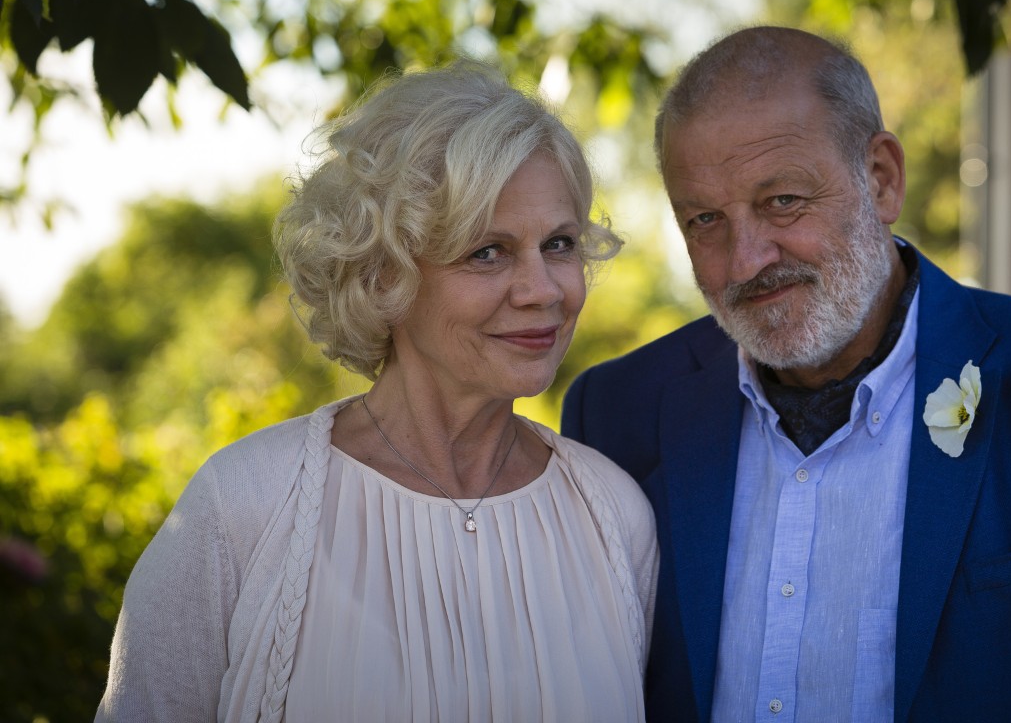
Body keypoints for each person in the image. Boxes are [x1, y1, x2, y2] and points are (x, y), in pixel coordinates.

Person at [561, 26, 1011, 722]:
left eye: (783, 201)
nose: (745, 260)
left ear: (882, 178)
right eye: (705, 219)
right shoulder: (618, 413)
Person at [97, 62, 658, 722]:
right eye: (488, 252)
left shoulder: (613, 516)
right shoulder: (245, 506)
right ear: (384, 271)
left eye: (559, 244)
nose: (544, 290)